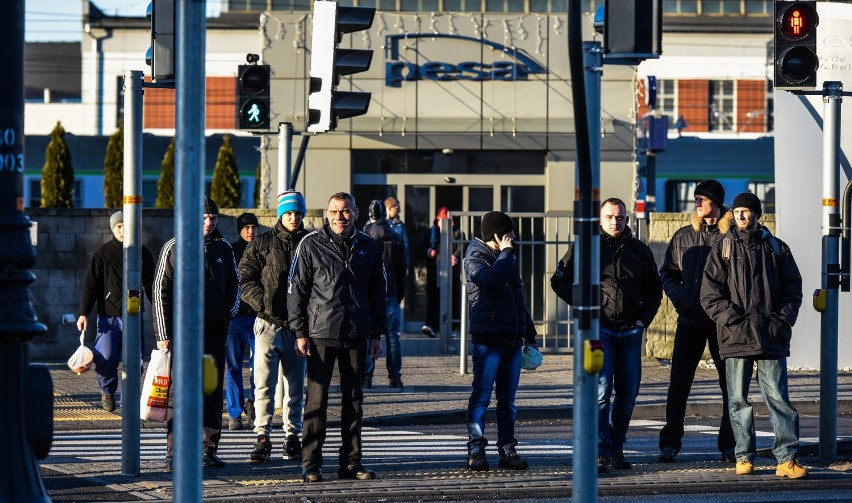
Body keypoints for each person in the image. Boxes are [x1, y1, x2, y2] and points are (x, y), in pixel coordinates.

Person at [550, 197, 662, 473]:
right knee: (600, 392)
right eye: (610, 217)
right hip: (599, 332)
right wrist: (588, 306)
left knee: (628, 394)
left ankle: (615, 448)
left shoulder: (640, 251)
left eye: (620, 217)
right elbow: (559, 281)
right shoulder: (586, 248)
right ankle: (599, 451)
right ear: (600, 219)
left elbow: (654, 290)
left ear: (627, 219)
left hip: (631, 333)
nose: (616, 221)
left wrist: (642, 319)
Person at [700, 192, 807, 479]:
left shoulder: (776, 248)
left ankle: (787, 459)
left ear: (758, 214)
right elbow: (710, 295)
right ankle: (744, 456)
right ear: (731, 216)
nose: (742, 217)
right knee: (738, 401)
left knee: (779, 400)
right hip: (736, 338)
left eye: (747, 211)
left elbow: (793, 289)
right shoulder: (722, 248)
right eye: (737, 212)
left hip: (771, 336)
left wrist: (781, 320)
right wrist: (733, 321)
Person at [288, 192, 386, 483]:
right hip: (320, 335)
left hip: (357, 334)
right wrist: (300, 332)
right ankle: (311, 464)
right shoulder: (310, 244)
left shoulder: (369, 246)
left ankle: (352, 463)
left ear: (355, 213)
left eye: (344, 211)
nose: (339, 217)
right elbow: (296, 290)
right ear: (326, 214)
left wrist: (376, 335)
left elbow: (379, 292)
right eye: (333, 211)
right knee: (315, 403)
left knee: (354, 402)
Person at [152, 196, 239, 471]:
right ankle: (173, 452)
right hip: (182, 336)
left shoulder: (224, 249)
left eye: (212, 218)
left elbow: (235, 287)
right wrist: (164, 332)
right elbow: (159, 293)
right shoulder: (174, 247)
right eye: (203, 218)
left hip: (214, 334)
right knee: (180, 394)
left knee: (211, 391)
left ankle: (208, 449)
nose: (208, 223)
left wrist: (226, 316)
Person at [658, 180, 736, 463]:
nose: (697, 203)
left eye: (701, 198)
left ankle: (729, 445)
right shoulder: (684, 236)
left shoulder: (733, 236)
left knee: (730, 386)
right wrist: (683, 298)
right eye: (696, 198)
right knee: (679, 384)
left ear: (715, 202)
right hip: (690, 320)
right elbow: (667, 273)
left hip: (723, 324)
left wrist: (731, 310)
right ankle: (669, 443)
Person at [464, 211, 538, 472]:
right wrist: (506, 254)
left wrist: (529, 335)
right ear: (496, 235)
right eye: (508, 233)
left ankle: (508, 450)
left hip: (512, 341)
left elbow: (518, 298)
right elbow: (490, 281)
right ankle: (476, 449)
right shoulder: (475, 256)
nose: (514, 237)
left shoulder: (505, 257)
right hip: (488, 340)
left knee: (507, 400)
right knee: (482, 397)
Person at [240, 191, 309, 463]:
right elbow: (245, 278)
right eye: (289, 213)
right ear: (281, 214)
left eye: (297, 213)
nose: (293, 218)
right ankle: (262, 437)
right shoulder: (262, 243)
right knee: (263, 385)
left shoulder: (311, 241)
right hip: (267, 325)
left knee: (296, 387)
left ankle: (293, 437)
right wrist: (263, 304)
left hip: (299, 328)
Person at [77, 210, 155, 412]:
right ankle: (108, 391)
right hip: (108, 318)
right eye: (118, 226)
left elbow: (152, 285)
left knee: (136, 361)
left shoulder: (142, 252)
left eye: (125, 225)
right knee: (106, 358)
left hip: (135, 316)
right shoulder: (103, 253)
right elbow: (91, 286)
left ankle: (129, 397)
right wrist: (84, 313)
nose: (122, 230)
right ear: (113, 229)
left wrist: (161, 311)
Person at [363, 200, 407, 389]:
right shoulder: (395, 237)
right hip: (391, 291)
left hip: (369, 293)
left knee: (368, 336)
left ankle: (367, 377)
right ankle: (395, 377)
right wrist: (400, 294)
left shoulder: (364, 236)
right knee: (392, 337)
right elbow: (401, 269)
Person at [225, 212, 259, 431]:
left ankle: (254, 403)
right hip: (236, 317)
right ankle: (234, 413)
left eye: (254, 227)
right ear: (239, 229)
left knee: (260, 366)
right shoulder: (231, 251)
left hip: (258, 316)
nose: (250, 231)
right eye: (246, 227)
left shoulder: (264, 250)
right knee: (233, 365)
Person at [419, 207, 463, 338]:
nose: (442, 223)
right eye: (440, 220)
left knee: (453, 300)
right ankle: (431, 326)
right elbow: (420, 248)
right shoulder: (430, 233)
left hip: (452, 274)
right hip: (435, 273)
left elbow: (463, 247)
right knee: (433, 299)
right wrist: (427, 252)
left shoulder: (457, 233)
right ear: (436, 221)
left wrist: (456, 256)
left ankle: (452, 328)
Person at [384, 196, 409, 275]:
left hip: (397, 263)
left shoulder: (401, 225)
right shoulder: (381, 225)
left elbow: (406, 246)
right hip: (383, 263)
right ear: (389, 208)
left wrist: (406, 265)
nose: (399, 210)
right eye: (397, 208)